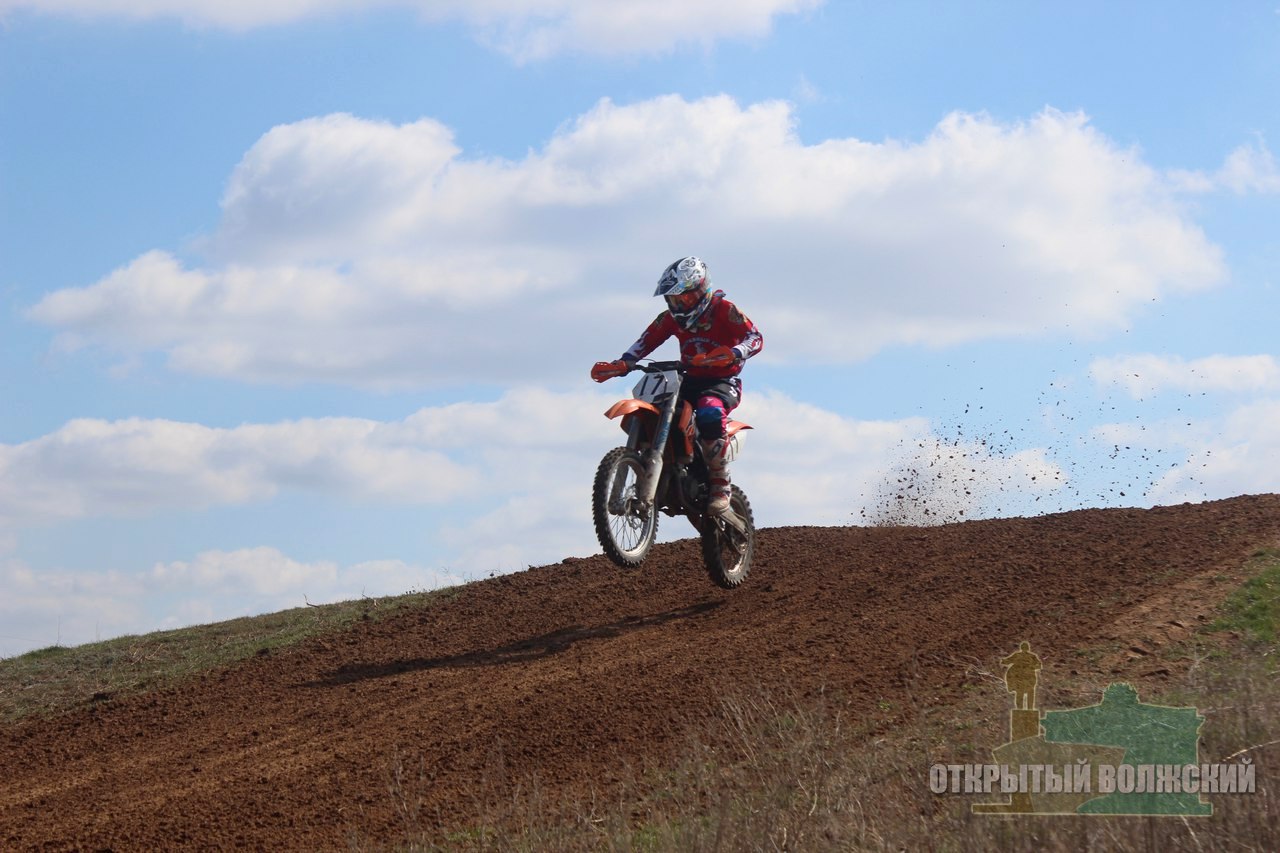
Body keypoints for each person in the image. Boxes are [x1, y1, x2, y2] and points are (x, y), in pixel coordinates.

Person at [591, 256, 763, 515]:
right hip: (686, 378)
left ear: (701, 290)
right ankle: (663, 463)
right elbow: (646, 341)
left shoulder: (724, 310)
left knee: (709, 411)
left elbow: (755, 337)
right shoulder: (669, 318)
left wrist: (735, 352)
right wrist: (624, 363)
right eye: (673, 299)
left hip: (721, 381)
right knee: (657, 406)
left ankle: (720, 484)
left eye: (685, 297)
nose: (679, 304)